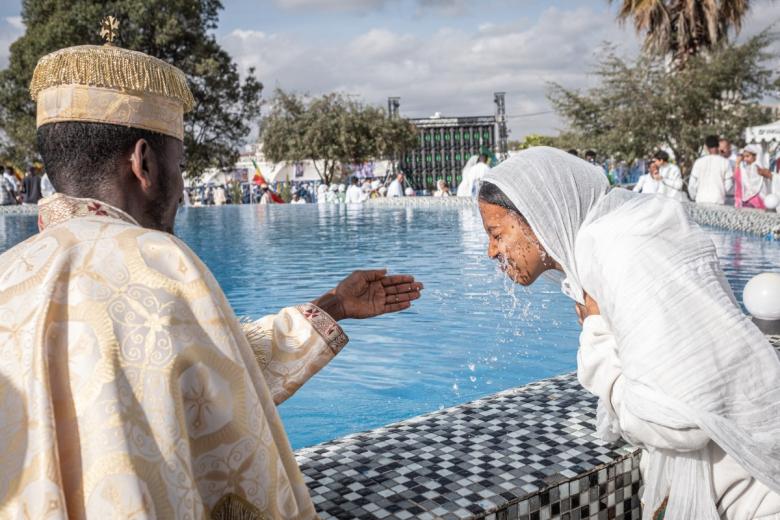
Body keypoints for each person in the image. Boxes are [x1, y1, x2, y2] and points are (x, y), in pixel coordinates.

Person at [0, 35, 424, 519]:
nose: (181, 188)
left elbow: (206, 372)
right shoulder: (159, 262)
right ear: (144, 163)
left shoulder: (9, 274)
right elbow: (222, 401)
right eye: (179, 165)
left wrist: (335, 305)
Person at [477, 147, 780, 519]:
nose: (492, 251)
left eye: (495, 234)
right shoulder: (613, 239)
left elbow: (676, 422)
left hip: (753, 497)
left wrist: (598, 340)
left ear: (535, 217)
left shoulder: (617, 252)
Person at [689, 135, 734, 205]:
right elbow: (729, 184)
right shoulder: (725, 162)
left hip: (701, 200)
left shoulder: (699, 162)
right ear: (718, 146)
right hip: (718, 200)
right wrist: (721, 192)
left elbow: (692, 184)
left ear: (706, 147)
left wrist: (694, 196)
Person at [734, 144, 772, 209]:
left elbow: (749, 182)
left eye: (747, 156)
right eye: (744, 157)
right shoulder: (748, 167)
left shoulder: (756, 167)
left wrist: (737, 165)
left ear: (755, 156)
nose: (745, 159)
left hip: (757, 197)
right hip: (750, 198)